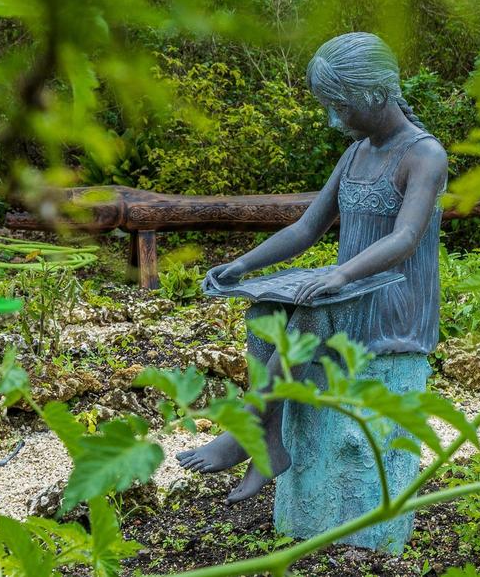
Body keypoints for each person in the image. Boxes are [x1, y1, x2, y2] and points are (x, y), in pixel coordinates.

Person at [176, 32, 448, 504]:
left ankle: (247, 430)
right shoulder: (356, 153)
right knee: (263, 312)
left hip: (395, 303)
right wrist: (241, 265)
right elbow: (305, 230)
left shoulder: (424, 155)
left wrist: (340, 275)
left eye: (339, 106)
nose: (332, 118)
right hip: (353, 293)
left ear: (376, 95)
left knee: (307, 317)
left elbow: (404, 238)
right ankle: (271, 438)